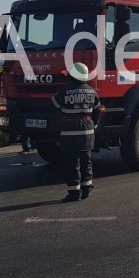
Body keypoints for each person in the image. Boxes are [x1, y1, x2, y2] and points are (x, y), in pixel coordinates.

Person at [51, 62, 101, 202]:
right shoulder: (92, 91)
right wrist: (94, 125)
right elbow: (98, 110)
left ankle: (74, 192)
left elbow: (54, 107)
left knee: (72, 163)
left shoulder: (64, 92)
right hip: (88, 131)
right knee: (86, 161)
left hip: (70, 132)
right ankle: (87, 189)